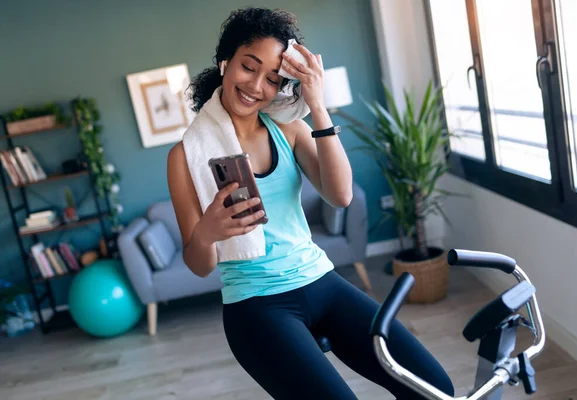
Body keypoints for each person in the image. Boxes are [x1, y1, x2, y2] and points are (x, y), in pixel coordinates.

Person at [167, 6, 454, 400]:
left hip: (321, 280)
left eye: (272, 78)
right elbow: (199, 266)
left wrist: (318, 106)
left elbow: (341, 195)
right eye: (248, 67)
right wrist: (207, 233)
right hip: (256, 306)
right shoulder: (186, 156)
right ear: (224, 63)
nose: (257, 86)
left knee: (434, 388)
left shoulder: (290, 128)